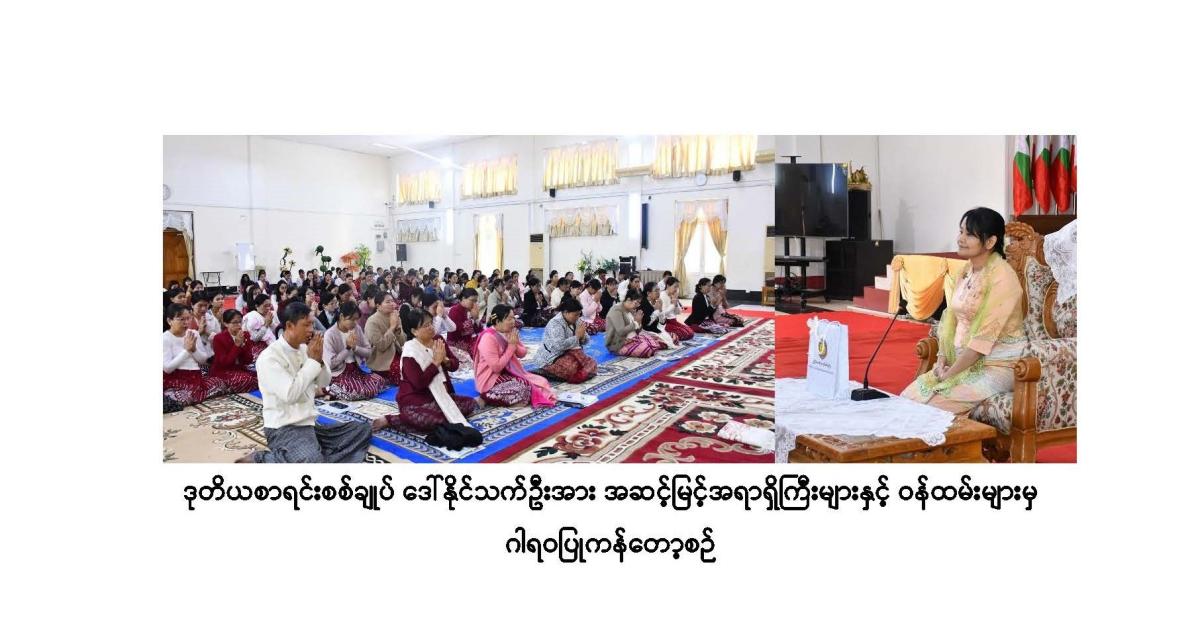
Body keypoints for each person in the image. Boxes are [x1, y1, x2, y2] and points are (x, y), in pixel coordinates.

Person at [901, 207, 1025, 414]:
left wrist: (950, 375)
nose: (960, 239)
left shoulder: (1003, 277)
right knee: (907, 399)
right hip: (960, 361)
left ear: (990, 242)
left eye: (969, 234)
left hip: (996, 366)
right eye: (961, 232)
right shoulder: (965, 272)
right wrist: (941, 361)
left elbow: (981, 342)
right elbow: (950, 320)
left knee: (931, 408)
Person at [238, 301, 372, 463]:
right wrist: (313, 362)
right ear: (290, 326)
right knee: (312, 461)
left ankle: (310, 455)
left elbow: (324, 382)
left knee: (362, 429)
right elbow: (290, 395)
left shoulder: (305, 349)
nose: (311, 330)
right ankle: (262, 459)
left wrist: (319, 361)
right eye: (306, 325)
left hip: (310, 425)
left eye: (312, 324)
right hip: (284, 428)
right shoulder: (269, 358)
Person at [372, 307, 482, 436]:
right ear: (414, 331)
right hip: (418, 399)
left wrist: (445, 360)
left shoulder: (438, 340)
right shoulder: (410, 351)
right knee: (427, 420)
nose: (431, 327)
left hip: (442, 394)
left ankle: (439, 413)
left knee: (468, 404)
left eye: (431, 323)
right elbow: (419, 383)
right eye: (425, 325)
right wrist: (435, 362)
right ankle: (391, 420)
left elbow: (455, 365)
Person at [473, 304, 556, 407]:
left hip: (507, 374)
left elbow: (522, 353)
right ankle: (486, 397)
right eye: (509, 319)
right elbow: (496, 367)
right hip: (491, 379)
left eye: (513, 318)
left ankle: (502, 398)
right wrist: (511, 347)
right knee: (523, 389)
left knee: (541, 382)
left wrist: (514, 344)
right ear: (498, 322)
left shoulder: (509, 332)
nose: (513, 321)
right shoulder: (488, 338)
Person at [323, 302, 388, 401]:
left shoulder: (356, 329)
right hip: (339, 373)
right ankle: (330, 389)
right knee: (355, 390)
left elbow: (369, 352)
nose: (355, 323)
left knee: (379, 380)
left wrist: (355, 348)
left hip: (355, 370)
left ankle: (334, 392)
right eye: (352, 319)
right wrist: (347, 348)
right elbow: (331, 364)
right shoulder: (330, 334)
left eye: (356, 319)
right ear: (342, 317)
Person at [163, 303, 224, 405]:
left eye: (188, 318)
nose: (186, 322)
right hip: (176, 377)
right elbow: (167, 369)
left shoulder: (193, 333)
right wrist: (187, 351)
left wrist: (194, 349)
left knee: (219, 383)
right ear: (170, 321)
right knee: (184, 397)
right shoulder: (165, 338)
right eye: (181, 319)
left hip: (195, 376)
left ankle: (194, 394)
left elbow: (203, 360)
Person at [529, 297, 597, 383]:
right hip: (554, 357)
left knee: (592, 363)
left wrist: (582, 337)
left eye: (579, 314)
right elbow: (559, 345)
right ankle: (546, 371)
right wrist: (577, 337)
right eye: (575, 315)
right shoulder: (555, 323)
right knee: (571, 369)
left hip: (571, 354)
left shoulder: (577, 321)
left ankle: (580, 374)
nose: (578, 317)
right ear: (566, 312)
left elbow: (586, 340)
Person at [208, 309, 259, 393]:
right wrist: (237, 345)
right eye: (235, 322)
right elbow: (225, 363)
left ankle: (237, 387)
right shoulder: (219, 338)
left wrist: (243, 345)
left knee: (261, 376)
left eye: (240, 322)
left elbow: (249, 360)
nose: (239, 325)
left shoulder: (245, 334)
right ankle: (228, 388)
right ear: (226, 324)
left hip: (240, 369)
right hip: (223, 371)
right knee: (246, 379)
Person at [606, 289, 667, 357]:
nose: (638, 305)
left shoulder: (630, 310)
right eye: (636, 303)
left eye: (639, 303)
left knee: (657, 340)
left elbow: (637, 331)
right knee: (646, 348)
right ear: (629, 300)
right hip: (619, 344)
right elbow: (621, 331)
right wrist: (635, 322)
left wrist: (639, 322)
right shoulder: (616, 310)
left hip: (632, 339)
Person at [364, 290, 406, 385]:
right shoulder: (372, 321)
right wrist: (392, 327)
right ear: (378, 306)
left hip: (397, 354)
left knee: (415, 366)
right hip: (381, 360)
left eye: (392, 301)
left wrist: (398, 328)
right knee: (404, 373)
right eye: (388, 302)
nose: (392, 304)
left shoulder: (395, 317)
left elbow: (402, 342)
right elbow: (381, 346)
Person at [446, 288, 483, 370]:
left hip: (468, 341)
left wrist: (476, 319)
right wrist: (473, 319)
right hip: (456, 344)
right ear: (463, 298)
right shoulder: (454, 310)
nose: (474, 304)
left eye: (476, 301)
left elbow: (479, 330)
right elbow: (459, 330)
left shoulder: (469, 310)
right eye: (472, 300)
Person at [242, 293, 279, 359]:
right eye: (265, 306)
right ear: (257, 306)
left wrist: (271, 323)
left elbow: (275, 331)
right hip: (257, 352)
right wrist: (266, 325)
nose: (268, 308)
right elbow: (254, 338)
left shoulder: (269, 315)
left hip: (271, 347)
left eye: (269, 305)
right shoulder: (252, 317)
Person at [660, 276, 695, 342]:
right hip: (666, 323)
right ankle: (667, 335)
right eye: (675, 287)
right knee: (684, 333)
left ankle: (670, 335)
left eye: (677, 287)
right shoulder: (663, 295)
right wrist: (673, 304)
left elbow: (678, 312)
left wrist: (675, 303)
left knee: (690, 332)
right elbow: (663, 314)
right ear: (668, 286)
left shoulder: (673, 295)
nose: (676, 289)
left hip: (673, 321)